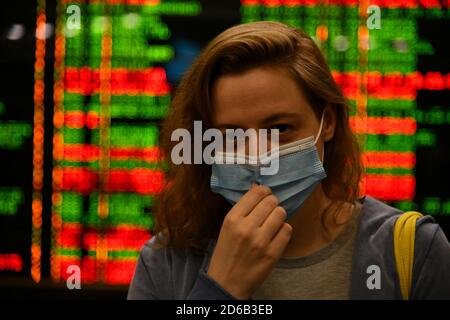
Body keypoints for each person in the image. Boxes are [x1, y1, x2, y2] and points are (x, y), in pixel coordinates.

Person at [127, 21, 450, 300]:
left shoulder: (411, 251)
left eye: (280, 128)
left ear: (329, 122)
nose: (256, 154)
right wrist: (220, 290)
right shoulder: (166, 263)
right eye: (230, 134)